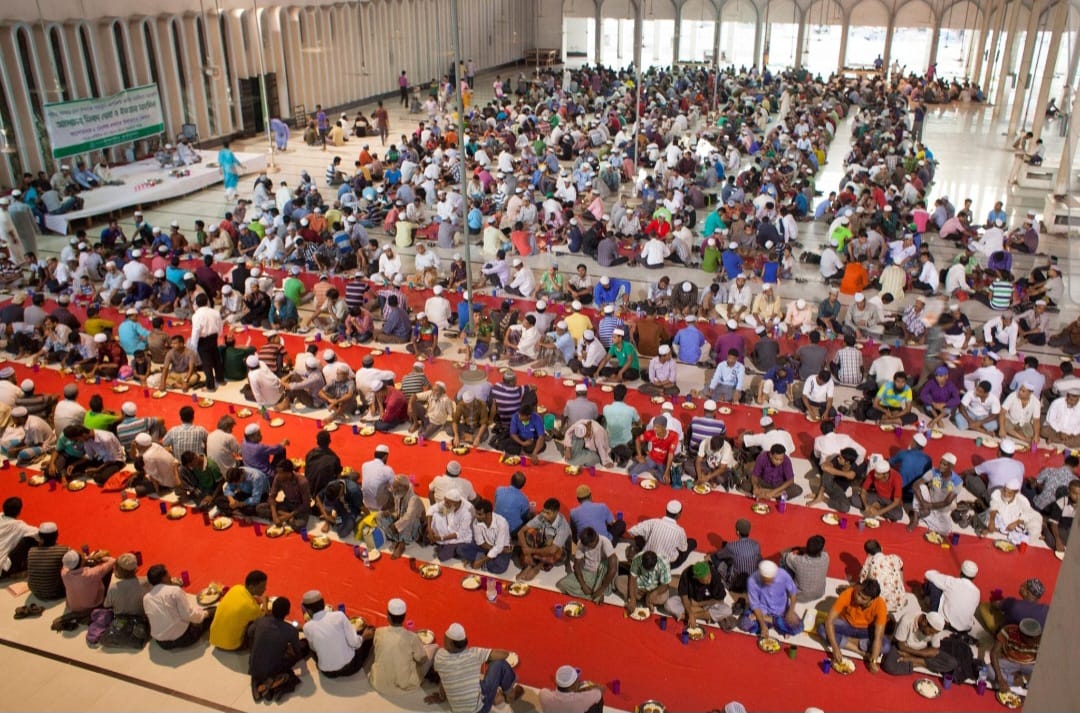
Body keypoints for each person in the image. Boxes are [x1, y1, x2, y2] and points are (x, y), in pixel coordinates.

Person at [428, 622, 524, 712]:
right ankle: (510, 695)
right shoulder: (474, 653)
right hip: (481, 710)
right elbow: (504, 655)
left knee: (470, 682)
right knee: (499, 664)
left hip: (458, 711)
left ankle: (497, 697)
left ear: (448, 643)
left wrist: (441, 697)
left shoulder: (439, 656)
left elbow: (443, 678)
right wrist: (489, 658)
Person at [818, 579, 890, 672]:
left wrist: (873, 661)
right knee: (822, 629)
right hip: (846, 625)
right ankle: (858, 649)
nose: (858, 598)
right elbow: (829, 621)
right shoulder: (848, 593)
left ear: (872, 600)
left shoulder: (880, 605)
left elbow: (878, 637)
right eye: (858, 593)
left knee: (885, 646)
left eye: (863, 598)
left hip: (866, 630)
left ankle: (847, 640)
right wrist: (835, 649)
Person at [249, 597, 310, 702]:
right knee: (304, 645)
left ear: (272, 609)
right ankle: (272, 684)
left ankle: (261, 682)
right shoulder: (290, 630)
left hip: (253, 665)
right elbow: (298, 652)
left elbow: (250, 632)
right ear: (287, 612)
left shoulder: (260, 621)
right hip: (273, 668)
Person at [369, 597, 436, 694]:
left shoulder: (379, 632)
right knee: (433, 649)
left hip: (378, 682)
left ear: (388, 617)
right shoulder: (412, 637)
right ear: (404, 617)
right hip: (403, 685)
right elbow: (422, 659)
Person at [301, 589, 373, 678]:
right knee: (367, 632)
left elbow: (313, 648)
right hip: (351, 667)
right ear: (323, 603)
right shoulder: (339, 616)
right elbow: (355, 643)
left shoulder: (307, 627)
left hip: (327, 673)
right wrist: (364, 637)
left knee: (311, 643)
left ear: (307, 610)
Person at [143, 563, 214, 649]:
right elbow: (188, 615)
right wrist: (206, 613)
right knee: (212, 611)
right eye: (168, 574)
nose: (170, 576)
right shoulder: (174, 591)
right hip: (182, 638)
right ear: (164, 577)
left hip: (161, 642)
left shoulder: (146, 598)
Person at [740, 559, 803, 637]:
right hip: (763, 611)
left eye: (771, 580)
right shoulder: (752, 581)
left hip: (782, 612)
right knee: (744, 623)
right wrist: (763, 625)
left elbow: (793, 593)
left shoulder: (782, 574)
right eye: (765, 581)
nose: (768, 583)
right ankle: (778, 625)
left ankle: (772, 622)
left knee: (798, 628)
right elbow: (755, 605)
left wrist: (791, 611)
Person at [881, 610, 955, 676]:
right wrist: (923, 654)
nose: (932, 635)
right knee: (888, 665)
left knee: (951, 663)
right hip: (905, 648)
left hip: (920, 651)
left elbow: (935, 649)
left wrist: (913, 656)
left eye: (934, 633)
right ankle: (926, 664)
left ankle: (920, 662)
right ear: (924, 622)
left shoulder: (935, 628)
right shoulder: (907, 619)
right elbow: (900, 645)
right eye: (930, 632)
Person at [210, 570, 268, 651]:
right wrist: (265, 602)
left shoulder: (236, 588)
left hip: (214, 639)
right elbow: (264, 616)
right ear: (251, 587)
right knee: (256, 626)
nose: (265, 589)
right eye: (262, 587)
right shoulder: (252, 607)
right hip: (232, 646)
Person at [627, 500, 695, 568]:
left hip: (648, 559)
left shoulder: (653, 522)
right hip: (666, 564)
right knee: (692, 542)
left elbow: (632, 531)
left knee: (640, 535)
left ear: (666, 510)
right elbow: (683, 549)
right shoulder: (680, 531)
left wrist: (648, 537)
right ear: (678, 515)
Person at [517, 498, 570, 581]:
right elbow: (521, 531)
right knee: (529, 533)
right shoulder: (542, 516)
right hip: (543, 543)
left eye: (548, 513)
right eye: (544, 511)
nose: (544, 515)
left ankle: (537, 567)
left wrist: (530, 551)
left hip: (555, 549)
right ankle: (529, 565)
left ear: (556, 512)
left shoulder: (563, 526)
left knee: (557, 555)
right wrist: (527, 553)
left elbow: (552, 550)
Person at [456, 497, 512, 574]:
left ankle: (478, 560)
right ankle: (484, 560)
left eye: (479, 514)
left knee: (500, 567)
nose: (476, 516)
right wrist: (496, 550)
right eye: (476, 513)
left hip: (502, 547)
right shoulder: (476, 522)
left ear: (488, 514)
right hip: (488, 547)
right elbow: (480, 542)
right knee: (460, 549)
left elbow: (499, 546)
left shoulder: (502, 523)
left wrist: (481, 561)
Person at [923, 560, 980, 633]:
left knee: (933, 584)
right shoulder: (977, 592)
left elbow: (928, 574)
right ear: (974, 577)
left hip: (944, 623)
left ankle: (934, 614)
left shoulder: (952, 582)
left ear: (961, 571)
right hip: (965, 628)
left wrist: (939, 575)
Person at [978, 577, 1049, 635]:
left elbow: (995, 604)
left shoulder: (1012, 603)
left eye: (1023, 586)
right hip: (1031, 644)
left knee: (984, 606)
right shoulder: (1046, 610)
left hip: (1010, 640)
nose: (1020, 586)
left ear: (1027, 592)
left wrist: (1001, 601)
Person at [989, 618, 1042, 694]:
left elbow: (1043, 667)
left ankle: (1013, 683)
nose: (1035, 641)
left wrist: (1025, 678)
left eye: (1036, 637)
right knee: (989, 669)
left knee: (1043, 679)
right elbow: (994, 652)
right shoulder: (1009, 630)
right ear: (1021, 634)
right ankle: (1017, 684)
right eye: (1031, 639)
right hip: (1009, 662)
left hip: (1029, 666)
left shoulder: (1041, 639)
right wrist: (1000, 678)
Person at [60, 548, 115, 612]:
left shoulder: (64, 573)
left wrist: (85, 559)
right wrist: (95, 558)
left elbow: (66, 564)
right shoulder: (92, 573)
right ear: (81, 562)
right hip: (92, 607)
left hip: (72, 606)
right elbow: (112, 561)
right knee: (107, 570)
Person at [781, 535, 830, 603]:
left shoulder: (797, 560)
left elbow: (783, 553)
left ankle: (783, 585)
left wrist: (798, 550)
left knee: (783, 560)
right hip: (819, 593)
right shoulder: (826, 557)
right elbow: (824, 551)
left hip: (798, 596)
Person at [539, 665, 604, 713]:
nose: (579, 681)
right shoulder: (581, 700)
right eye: (578, 681)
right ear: (573, 686)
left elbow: (545, 690)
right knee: (597, 703)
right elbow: (601, 690)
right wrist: (584, 688)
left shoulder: (544, 696)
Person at [0, 497, 39, 578]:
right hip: (2, 569)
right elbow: (39, 533)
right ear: (19, 511)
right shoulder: (19, 526)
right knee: (30, 539)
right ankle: (21, 568)